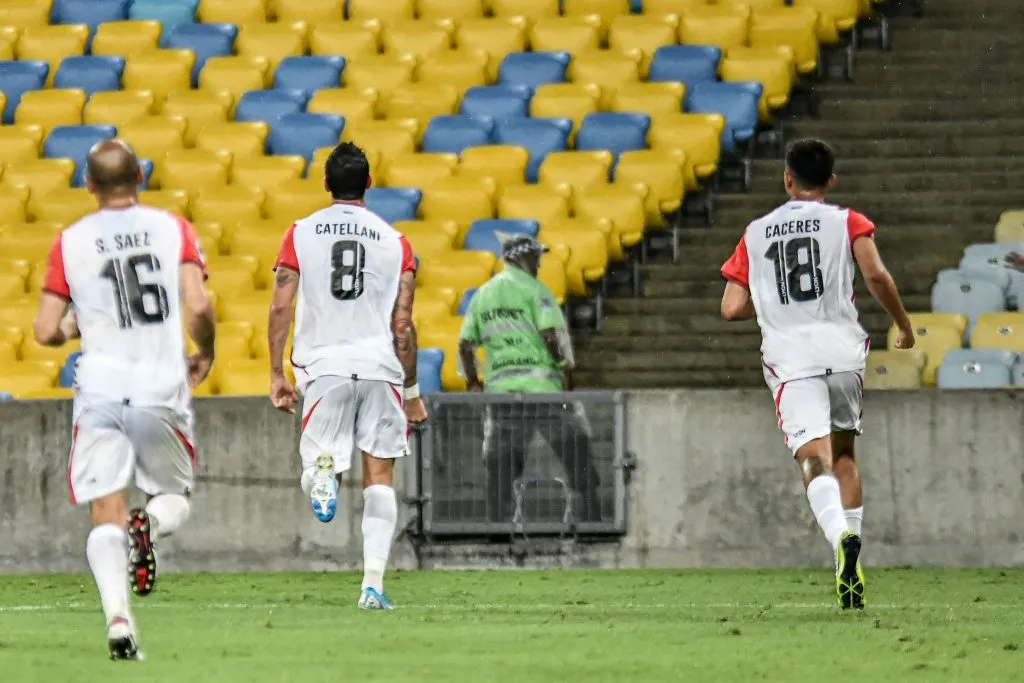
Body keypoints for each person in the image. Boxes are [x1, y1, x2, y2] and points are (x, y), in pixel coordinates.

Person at [33, 140, 216, 659]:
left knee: (104, 509)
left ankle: (117, 619)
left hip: (101, 389)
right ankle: (151, 527)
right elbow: (198, 305)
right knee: (174, 495)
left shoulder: (69, 242)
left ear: (87, 185)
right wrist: (205, 351)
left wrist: (76, 324)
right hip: (160, 384)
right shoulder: (171, 227)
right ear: (140, 175)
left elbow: (47, 330)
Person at [719, 138, 915, 610]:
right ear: (830, 181)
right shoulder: (849, 221)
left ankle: (840, 540)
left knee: (813, 460)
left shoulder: (756, 231)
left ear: (787, 178)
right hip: (843, 353)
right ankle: (850, 556)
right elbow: (877, 276)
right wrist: (903, 326)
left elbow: (731, 308)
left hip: (792, 361)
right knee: (845, 453)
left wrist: (774, 303)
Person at [267, 141, 428, 611]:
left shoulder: (300, 233)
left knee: (321, 468)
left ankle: (321, 474)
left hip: (325, 367)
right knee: (379, 476)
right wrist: (412, 391)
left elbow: (281, 304)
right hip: (379, 368)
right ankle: (372, 586)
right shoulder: (395, 242)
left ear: (326, 185)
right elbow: (403, 326)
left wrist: (277, 372)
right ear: (370, 184)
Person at [458, 233, 602, 525]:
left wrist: (474, 382)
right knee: (577, 452)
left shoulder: (482, 295)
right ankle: (592, 521)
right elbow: (550, 335)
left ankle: (498, 529)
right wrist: (564, 367)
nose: (538, 263)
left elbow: (465, 345)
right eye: (535, 257)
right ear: (521, 257)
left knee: (501, 467)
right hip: (543, 391)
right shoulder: (537, 291)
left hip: (502, 395)